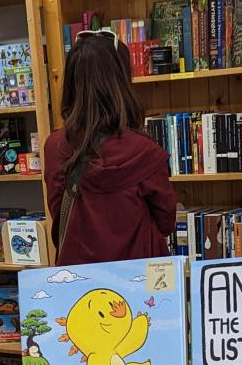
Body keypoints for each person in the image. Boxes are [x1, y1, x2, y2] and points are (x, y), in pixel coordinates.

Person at [44, 32, 177, 264]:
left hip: (78, 283)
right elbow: (166, 223)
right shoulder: (145, 152)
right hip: (140, 285)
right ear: (121, 83)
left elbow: (59, 218)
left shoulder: (55, 147)